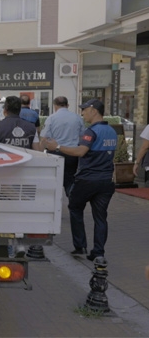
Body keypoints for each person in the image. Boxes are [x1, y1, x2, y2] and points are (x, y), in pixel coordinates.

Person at [44, 99, 117, 261]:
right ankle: (98, 252)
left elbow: (80, 151)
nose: (82, 113)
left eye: (84, 110)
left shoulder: (91, 132)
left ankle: (80, 245)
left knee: (75, 207)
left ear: (93, 110)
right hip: (106, 180)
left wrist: (57, 147)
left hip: (87, 179)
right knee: (100, 217)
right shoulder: (111, 131)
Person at [40, 96, 85, 195]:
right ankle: (72, 203)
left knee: (54, 182)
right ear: (67, 105)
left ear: (55, 106)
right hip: (72, 154)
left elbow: (44, 138)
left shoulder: (51, 118)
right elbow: (82, 137)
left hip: (54, 153)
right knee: (70, 180)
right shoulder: (77, 118)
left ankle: (55, 206)